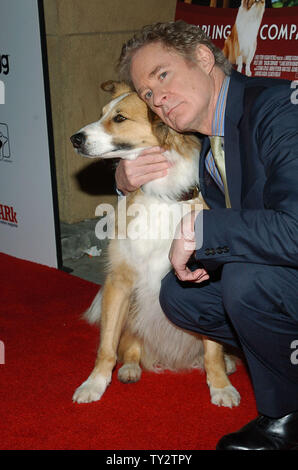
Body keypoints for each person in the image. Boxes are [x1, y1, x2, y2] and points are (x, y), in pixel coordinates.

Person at [115, 20, 298, 450]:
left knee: (245, 281)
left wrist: (203, 229)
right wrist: (126, 181)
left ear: (202, 57)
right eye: (146, 93)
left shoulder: (278, 109)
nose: (157, 98)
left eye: (162, 75)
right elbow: (172, 181)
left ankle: (285, 418)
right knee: (181, 296)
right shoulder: (203, 131)